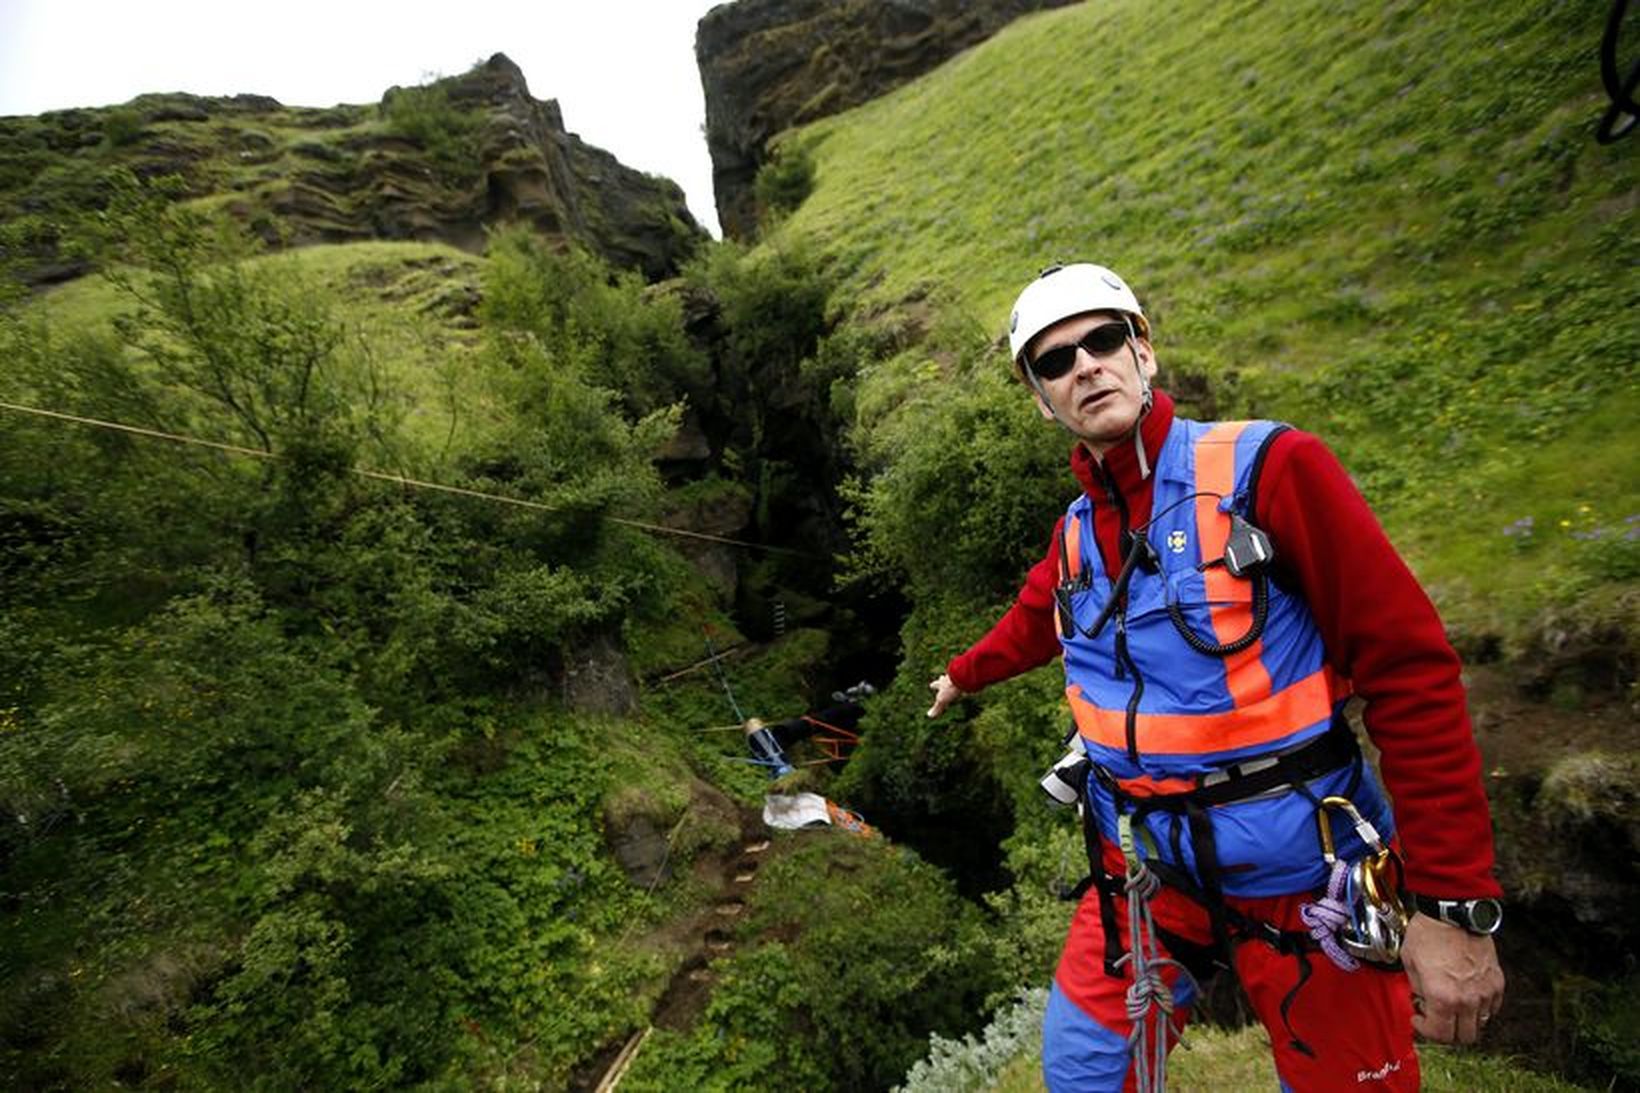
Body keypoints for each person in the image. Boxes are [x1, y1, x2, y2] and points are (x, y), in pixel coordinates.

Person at [925, 264, 1504, 1091]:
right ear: (1041, 400)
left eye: (1102, 341)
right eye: (1055, 362)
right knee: (1084, 1068)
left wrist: (1453, 907)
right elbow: (1031, 623)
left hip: (1313, 878)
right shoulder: (1076, 536)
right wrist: (961, 676)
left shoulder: (1270, 470)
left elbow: (1410, 670)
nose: (1085, 366)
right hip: (1152, 871)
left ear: (1143, 352)